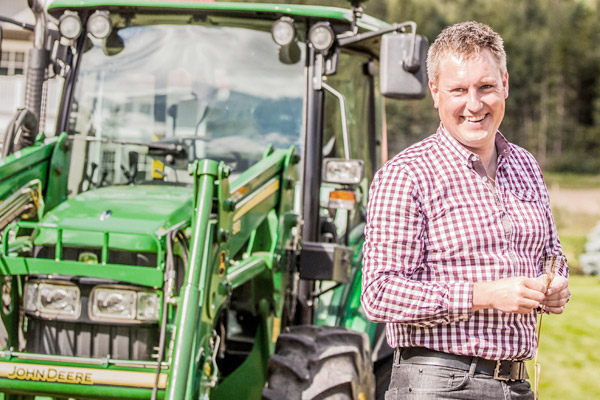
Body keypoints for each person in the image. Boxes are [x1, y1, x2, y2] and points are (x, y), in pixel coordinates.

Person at [361, 21, 570, 399]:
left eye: (486, 87)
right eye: (459, 90)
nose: (474, 104)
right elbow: (379, 293)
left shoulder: (526, 165)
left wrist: (555, 286)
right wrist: (482, 294)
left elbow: (552, 255)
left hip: (517, 384)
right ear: (435, 93)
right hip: (437, 384)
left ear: (505, 84)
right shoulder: (407, 174)